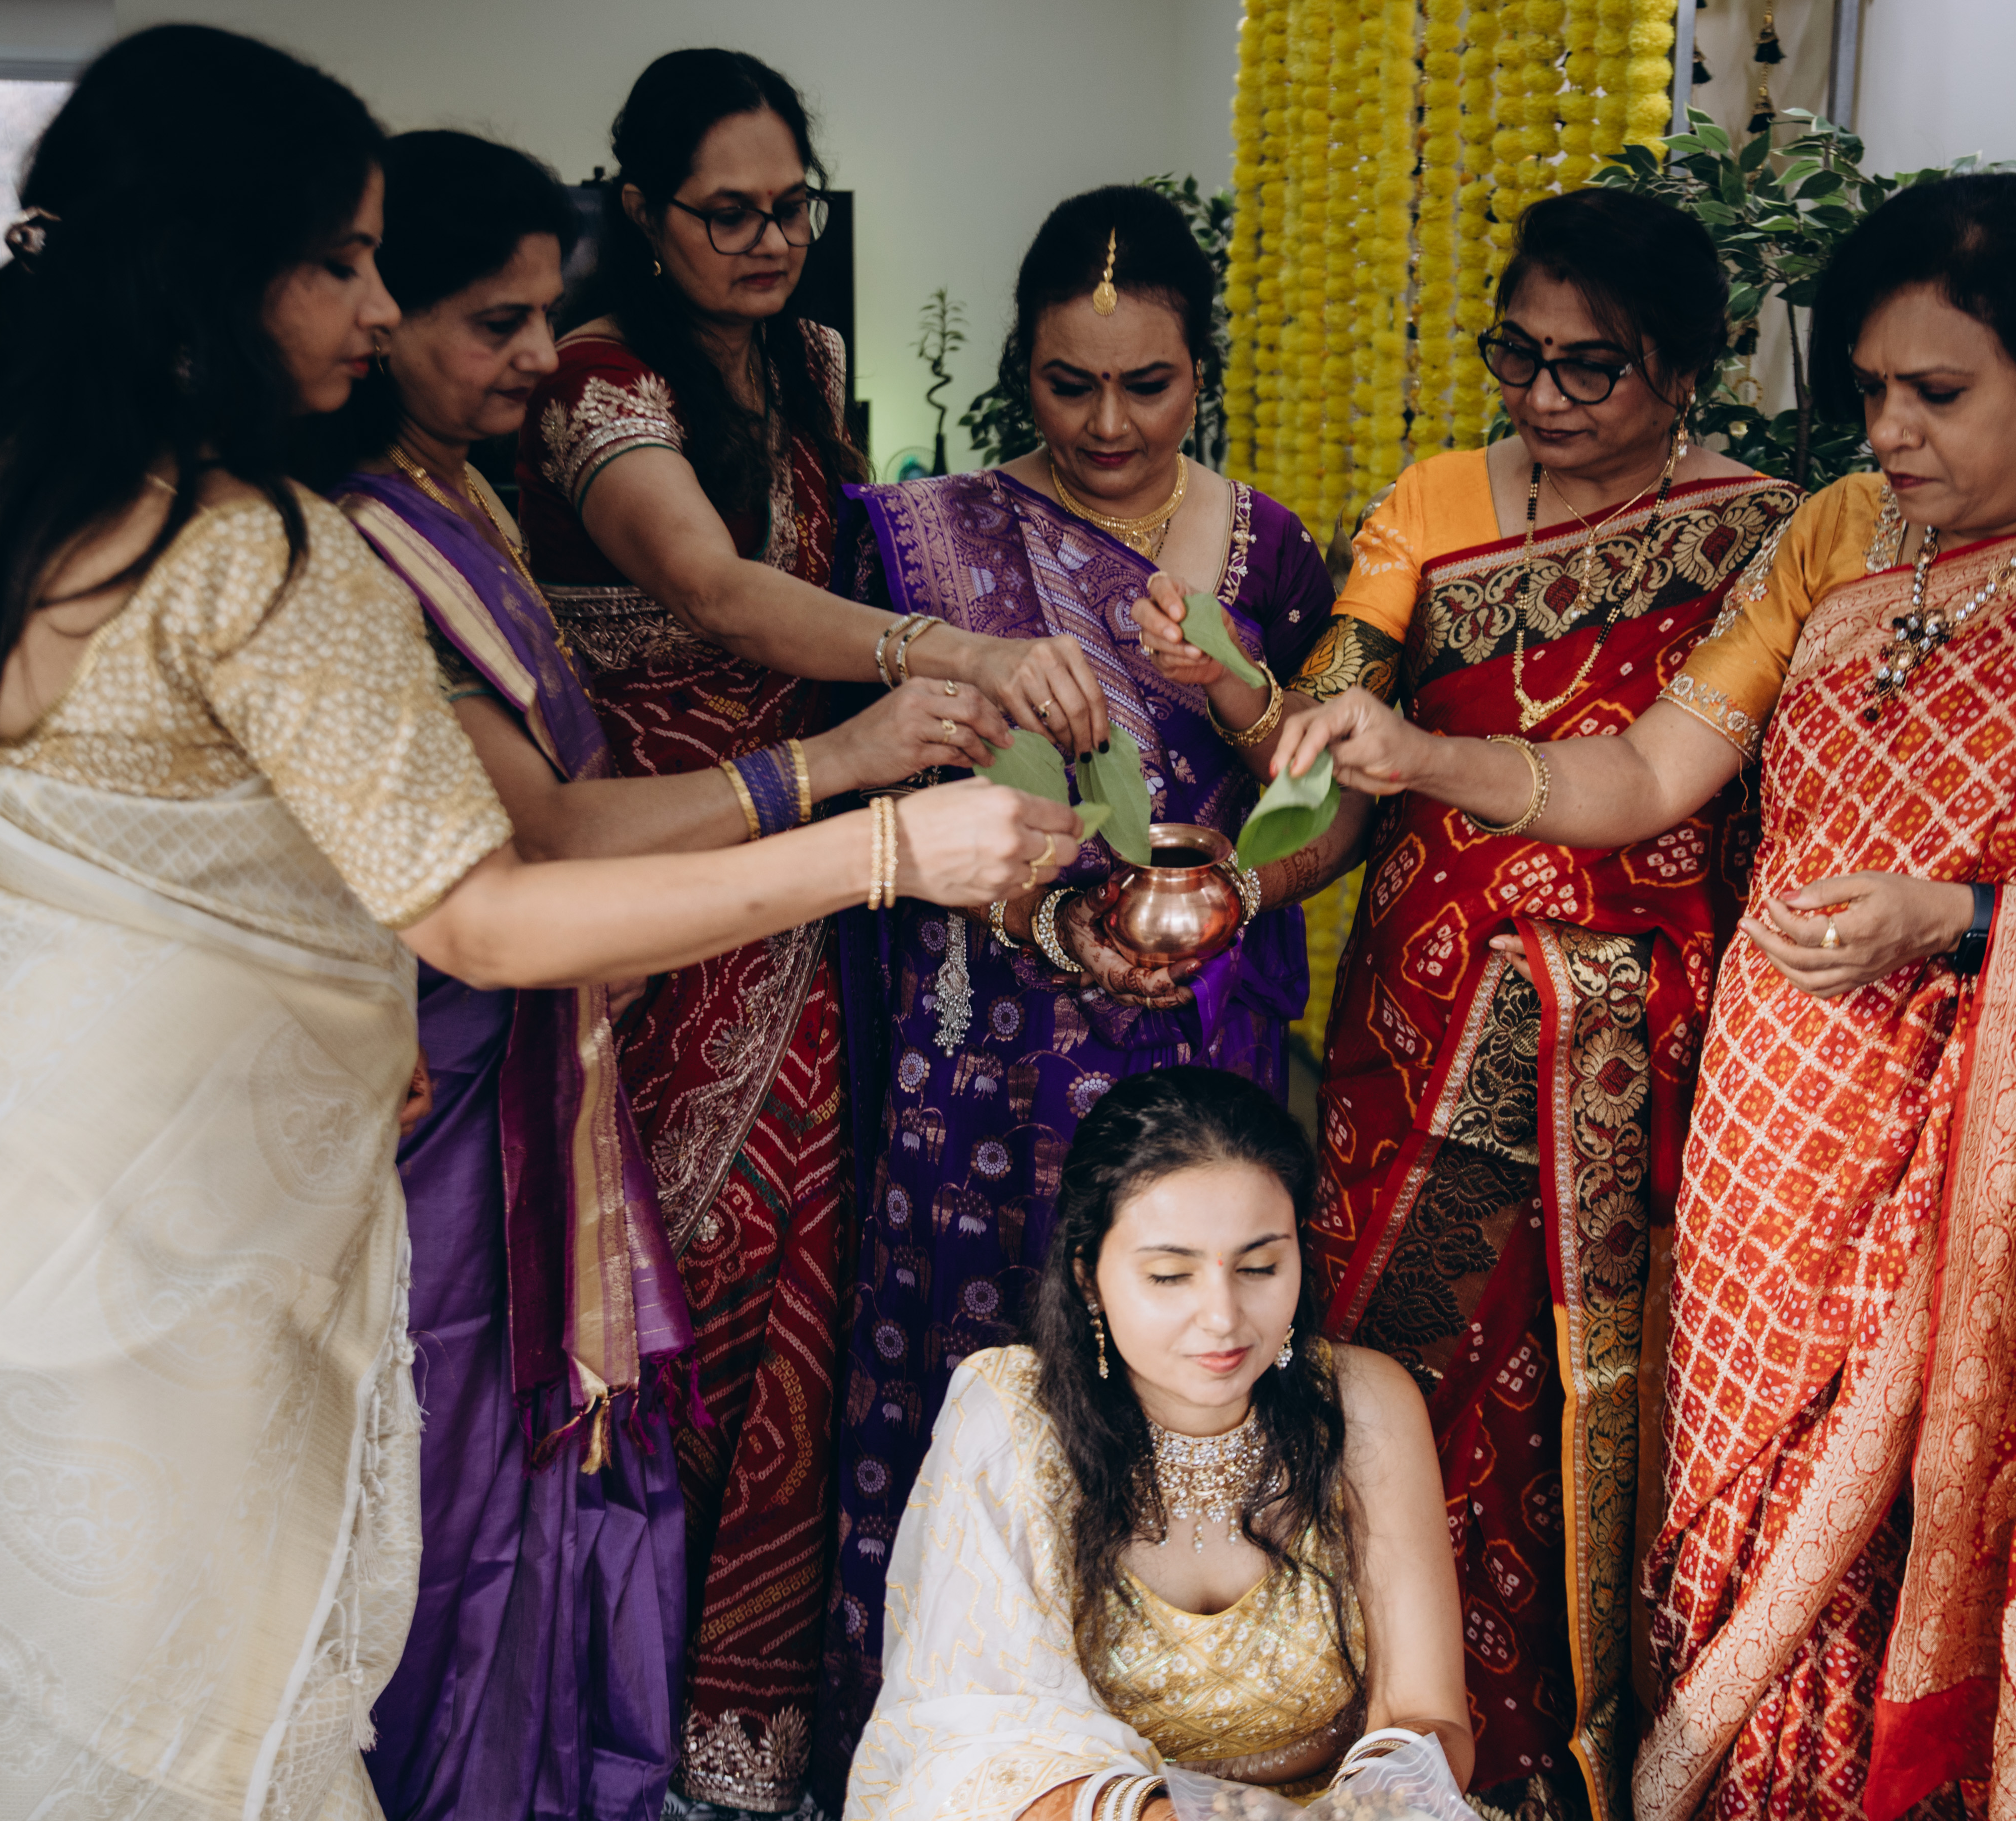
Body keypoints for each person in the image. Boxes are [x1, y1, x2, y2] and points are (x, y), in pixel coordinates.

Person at [0, 28, 1071, 1813]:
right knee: (179, 1723)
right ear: (217, 267)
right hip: (133, 1266)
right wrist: (886, 847)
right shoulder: (258, 555)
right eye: (343, 262)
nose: (379, 310)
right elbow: (488, 912)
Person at [1275, 173, 2016, 1820]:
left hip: (2003, 1175)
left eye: (1939, 394)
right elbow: (1647, 773)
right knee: (1748, 1548)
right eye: (1868, 390)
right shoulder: (1837, 534)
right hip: (1774, 1151)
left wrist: (1962, 917)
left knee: (1928, 1540)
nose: (1891, 433)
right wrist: (1422, 753)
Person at [307, 125, 1028, 1821]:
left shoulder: (460, 486)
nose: (534, 358)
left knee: (597, 1433)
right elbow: (541, 835)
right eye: (493, 322)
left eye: (792, 208)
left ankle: (633, 1749)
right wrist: (855, 792)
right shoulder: (367, 528)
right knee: (471, 1465)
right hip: (490, 1028)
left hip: (602, 982)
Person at [1150, 187, 1796, 1821]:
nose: (1543, 397)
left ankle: (1567, 1748)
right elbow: (1325, 746)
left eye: (1592, 367)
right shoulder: (1435, 500)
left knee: (1600, 1391)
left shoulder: (1761, 535)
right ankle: (1367, 1718)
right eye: (1519, 354)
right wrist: (1231, 700)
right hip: (1420, 1029)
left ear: (1685, 371)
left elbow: (1699, 787)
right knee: (1387, 1361)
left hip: (1641, 1051)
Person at [517, 50, 1108, 1814]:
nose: (768, 241)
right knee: (667, 1296)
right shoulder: (598, 379)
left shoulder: (807, 365)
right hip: (670, 882)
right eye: (728, 213)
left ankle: (745, 1722)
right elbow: (711, 587)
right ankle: (607, 1709)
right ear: (642, 211)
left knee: (802, 1282)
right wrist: (955, 660)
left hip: (825, 884)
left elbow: (852, 579)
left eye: (792, 209)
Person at [819, 184, 1345, 1785]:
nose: (1108, 424)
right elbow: (874, 787)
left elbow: (1332, 801)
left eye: (1147, 385)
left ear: (1202, 374)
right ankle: (974, 1756)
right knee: (973, 1369)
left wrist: (1233, 877)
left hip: (1190, 1046)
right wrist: (1041, 911)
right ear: (1018, 371)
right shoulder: (915, 540)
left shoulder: (1267, 547)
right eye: (1069, 384)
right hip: (981, 1052)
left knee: (1190, 1352)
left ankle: (1199, 1717)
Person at [845, 1066, 1470, 1821]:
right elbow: (974, 1744)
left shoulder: (1363, 1403)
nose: (1223, 1316)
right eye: (1171, 1276)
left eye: (1260, 1266)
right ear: (1088, 1279)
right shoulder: (1013, 1415)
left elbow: (1425, 1715)